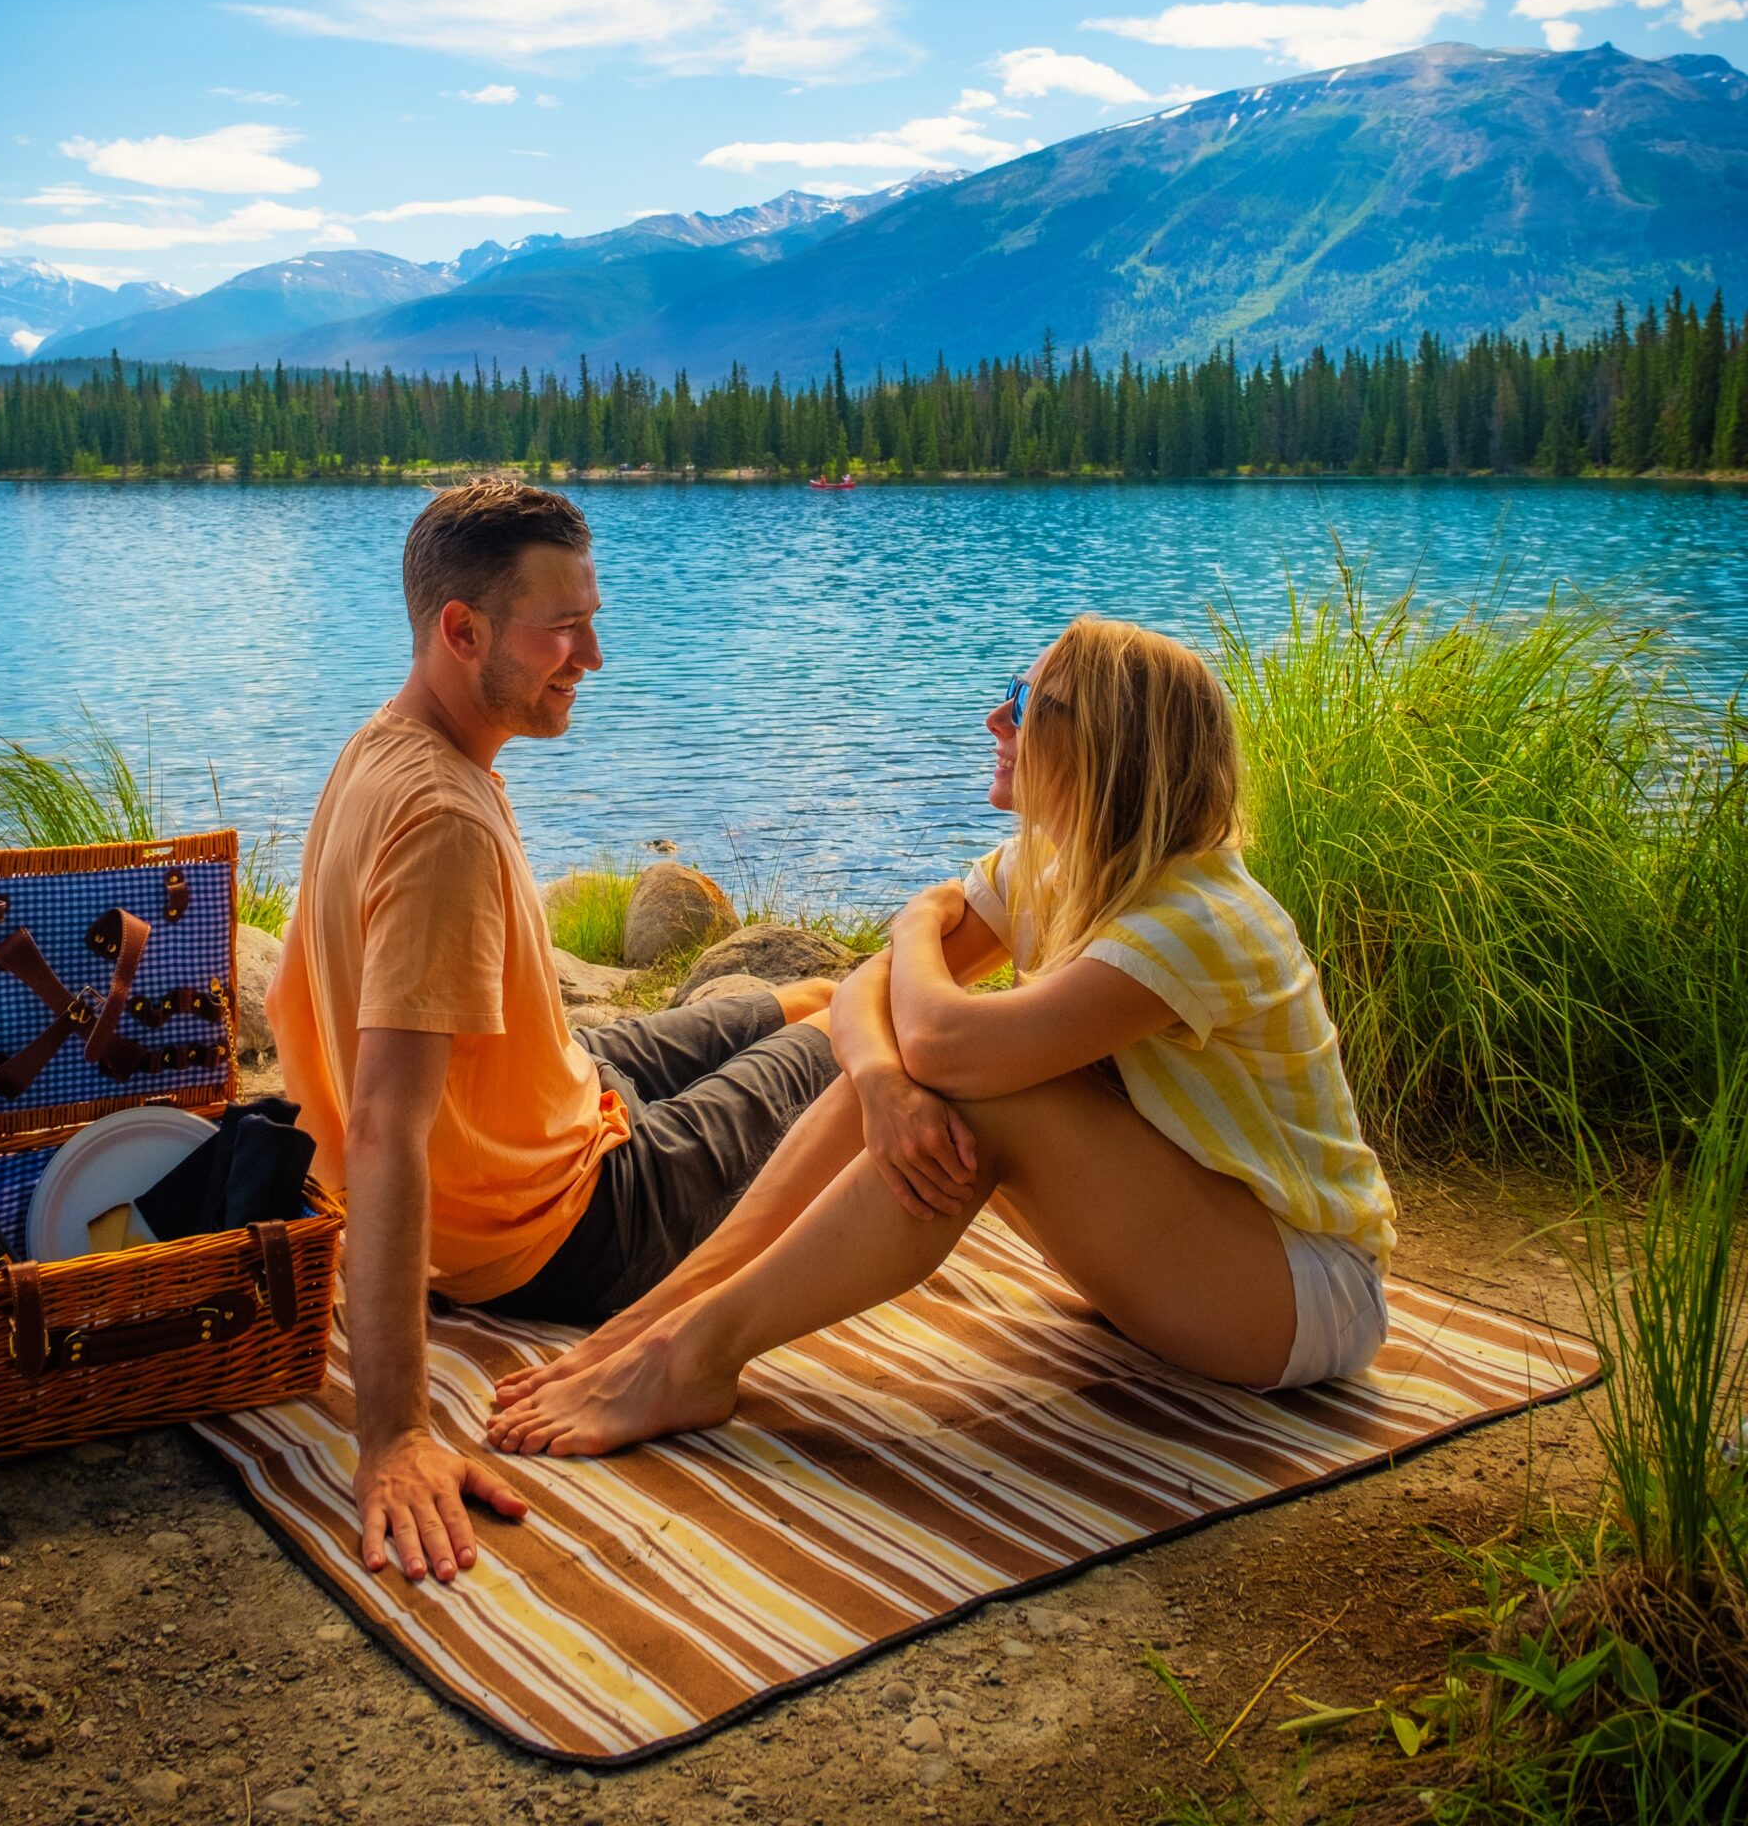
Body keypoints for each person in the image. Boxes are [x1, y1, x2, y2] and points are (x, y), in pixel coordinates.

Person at [486, 615, 1397, 1458]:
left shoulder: (1196, 917)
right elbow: (864, 999)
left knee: (976, 1094)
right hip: (1189, 1259)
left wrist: (919, 926)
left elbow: (947, 1042)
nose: (997, 717)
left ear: (1112, 747)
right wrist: (883, 1081)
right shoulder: (1058, 861)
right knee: (909, 1084)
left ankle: (695, 1358)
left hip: (1299, 1297)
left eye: (1033, 705)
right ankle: (668, 1313)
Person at [266, 476, 841, 1587]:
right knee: (847, 1040)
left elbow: (298, 988)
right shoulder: (438, 818)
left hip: (550, 1104)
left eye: (592, 618)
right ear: (461, 628)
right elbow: (387, 1122)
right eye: (562, 627)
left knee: (791, 999)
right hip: (562, 1228)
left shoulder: (380, 745)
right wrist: (391, 1431)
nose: (591, 654)